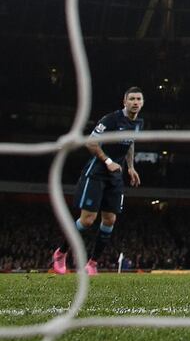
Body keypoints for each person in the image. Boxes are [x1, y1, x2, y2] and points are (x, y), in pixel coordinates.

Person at [53, 87, 144, 276]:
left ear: (142, 103)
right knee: (87, 220)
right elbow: (91, 142)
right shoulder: (110, 119)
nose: (135, 102)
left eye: (138, 99)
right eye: (132, 99)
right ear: (124, 102)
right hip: (97, 173)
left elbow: (130, 142)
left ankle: (92, 263)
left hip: (115, 175)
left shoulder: (138, 123)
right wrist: (108, 161)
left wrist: (130, 166)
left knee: (110, 219)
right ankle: (61, 253)